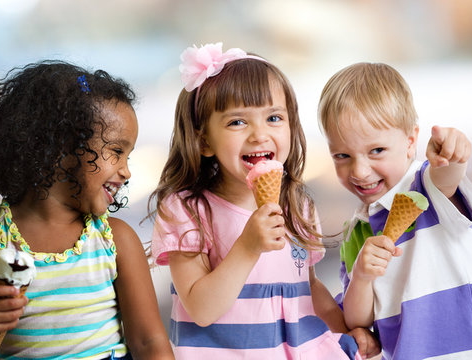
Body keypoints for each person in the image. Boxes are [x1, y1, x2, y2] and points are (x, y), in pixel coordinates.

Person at [147, 43, 377, 359]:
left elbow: (309, 290)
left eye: (273, 117)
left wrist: (346, 331)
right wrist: (248, 246)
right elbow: (201, 309)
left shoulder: (298, 206)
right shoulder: (187, 210)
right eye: (237, 122)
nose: (259, 134)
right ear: (204, 141)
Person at [0, 60, 174, 360]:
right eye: (117, 152)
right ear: (61, 147)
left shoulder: (115, 239)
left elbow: (149, 342)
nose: (126, 171)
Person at [317, 62, 472, 359]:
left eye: (376, 151)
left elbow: (448, 177)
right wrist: (361, 275)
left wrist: (453, 154)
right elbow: (359, 320)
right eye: (342, 155)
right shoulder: (354, 232)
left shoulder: (425, 187)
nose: (359, 170)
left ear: (410, 142)